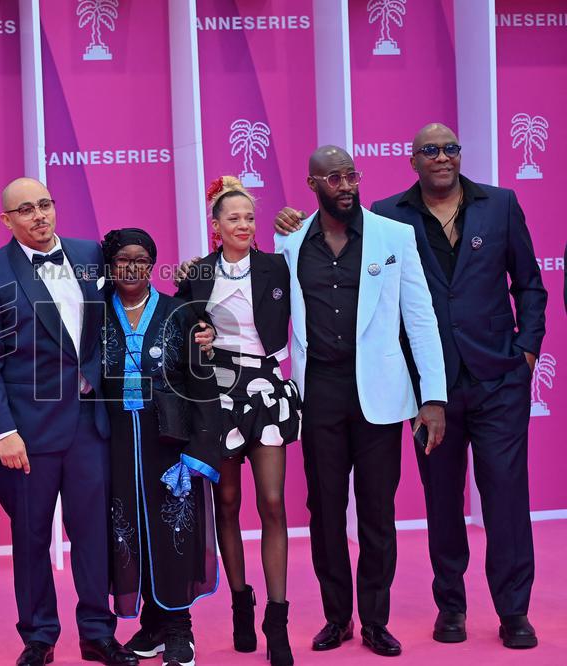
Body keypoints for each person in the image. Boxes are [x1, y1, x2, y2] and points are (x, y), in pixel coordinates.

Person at [276, 123, 548, 648]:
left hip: (487, 379)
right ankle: (438, 609)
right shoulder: (361, 222)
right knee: (426, 503)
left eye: (451, 148)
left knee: (502, 498)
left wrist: (526, 351)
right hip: (371, 390)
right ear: (413, 160)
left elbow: (523, 286)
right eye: (431, 150)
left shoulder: (492, 208)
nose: (442, 157)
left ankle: (510, 611)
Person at [272, 146, 447, 657]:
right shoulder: (289, 241)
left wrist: (433, 396)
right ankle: (336, 617)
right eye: (334, 178)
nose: (346, 185)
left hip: (381, 394)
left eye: (351, 175)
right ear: (313, 184)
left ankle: (375, 620)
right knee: (325, 511)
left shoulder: (394, 236)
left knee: (376, 511)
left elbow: (420, 317)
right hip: (319, 393)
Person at [0, 178, 137, 666]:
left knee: (93, 534)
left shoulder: (90, 255)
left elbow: (126, 302)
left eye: (44, 204)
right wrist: (2, 432)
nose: (39, 215)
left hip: (88, 424)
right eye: (26, 209)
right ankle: (38, 636)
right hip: (25, 432)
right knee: (32, 537)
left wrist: (187, 293)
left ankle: (97, 632)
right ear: (6, 220)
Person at [175, 176, 299, 666]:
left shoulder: (278, 267)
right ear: (217, 225)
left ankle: (277, 621)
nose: (244, 225)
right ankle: (240, 605)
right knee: (226, 503)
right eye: (234, 218)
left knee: (273, 503)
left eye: (249, 217)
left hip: (266, 388)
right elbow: (181, 329)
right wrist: (197, 336)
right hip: (218, 392)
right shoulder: (197, 273)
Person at [99, 227, 222, 666]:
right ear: (110, 265)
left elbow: (201, 385)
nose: (132, 267)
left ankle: (179, 630)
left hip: (169, 445)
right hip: (114, 446)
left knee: (174, 534)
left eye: (141, 259)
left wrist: (199, 451)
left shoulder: (179, 314)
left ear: (152, 264)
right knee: (130, 534)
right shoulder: (95, 314)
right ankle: (152, 626)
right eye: (122, 259)